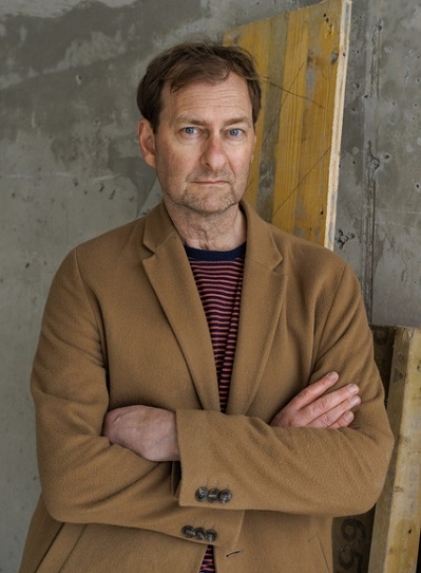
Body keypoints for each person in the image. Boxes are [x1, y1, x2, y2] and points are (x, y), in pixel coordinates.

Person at [20, 42, 393, 573]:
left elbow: (357, 474)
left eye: (233, 132)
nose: (215, 157)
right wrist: (275, 452)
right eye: (192, 130)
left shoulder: (323, 283)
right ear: (150, 141)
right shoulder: (89, 274)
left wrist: (176, 437)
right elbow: (71, 476)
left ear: (253, 140)